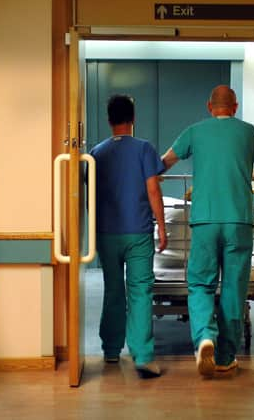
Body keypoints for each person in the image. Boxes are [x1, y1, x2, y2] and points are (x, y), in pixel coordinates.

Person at [161, 85, 254, 378]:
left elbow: (165, 161)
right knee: (234, 290)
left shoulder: (195, 131)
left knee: (200, 284)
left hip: (206, 220)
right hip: (238, 220)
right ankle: (225, 358)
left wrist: (142, 173)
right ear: (235, 107)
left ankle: (204, 338)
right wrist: (248, 175)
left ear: (209, 106)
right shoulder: (249, 131)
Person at [89, 94, 167, 379]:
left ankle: (111, 350)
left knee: (113, 290)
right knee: (140, 291)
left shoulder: (96, 153)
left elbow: (91, 196)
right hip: (138, 233)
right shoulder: (145, 149)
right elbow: (153, 191)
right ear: (133, 119)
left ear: (109, 120)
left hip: (107, 233)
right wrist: (162, 226)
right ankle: (143, 356)